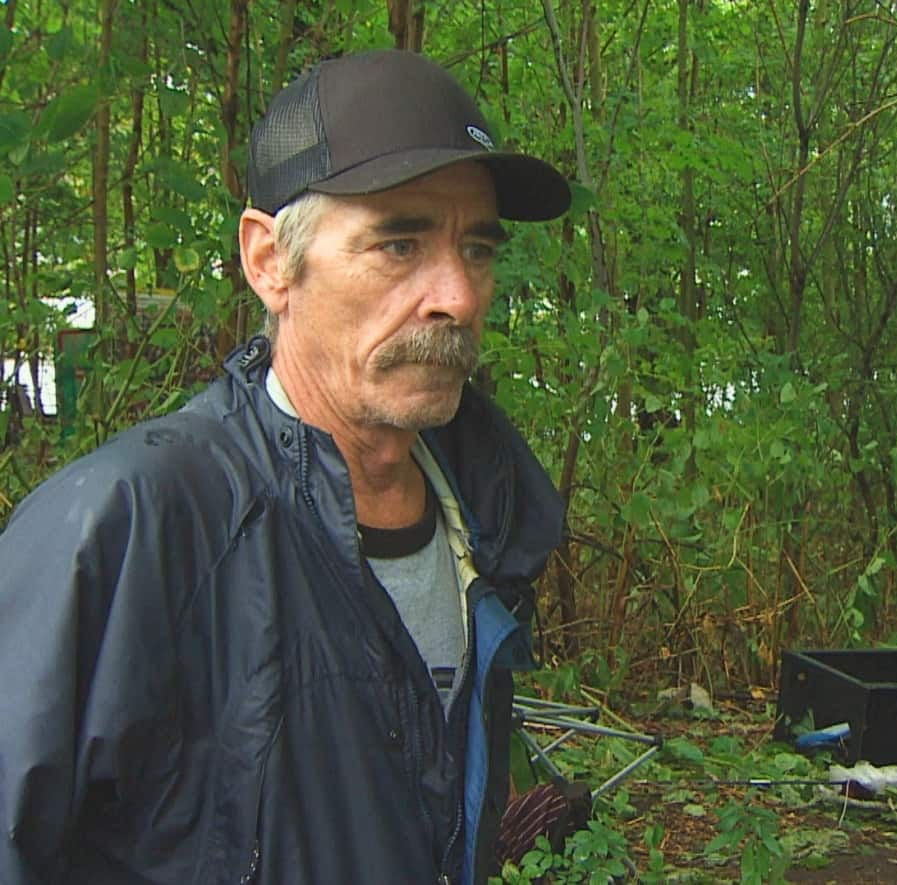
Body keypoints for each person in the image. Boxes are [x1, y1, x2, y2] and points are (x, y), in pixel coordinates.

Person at [0, 50, 570, 885]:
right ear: (270, 261)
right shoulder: (129, 529)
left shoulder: (487, 517)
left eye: (477, 248)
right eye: (400, 242)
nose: (458, 294)